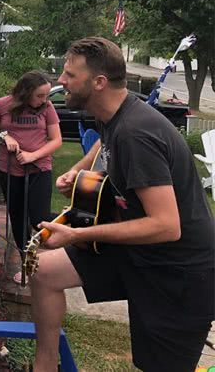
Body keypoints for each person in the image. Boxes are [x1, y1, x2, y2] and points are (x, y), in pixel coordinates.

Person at [31, 37, 214, 372]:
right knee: (44, 272)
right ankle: (45, 365)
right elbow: (104, 141)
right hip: (139, 253)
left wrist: (77, 235)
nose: (60, 81)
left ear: (98, 82)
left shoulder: (136, 134)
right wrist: (79, 170)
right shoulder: (113, 114)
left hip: (179, 272)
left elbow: (166, 225)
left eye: (70, 74)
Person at [0, 71, 63, 283]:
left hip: (39, 168)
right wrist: (3, 136)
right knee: (18, 219)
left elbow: (56, 140)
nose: (44, 100)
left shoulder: (48, 109)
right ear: (25, 92)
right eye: (40, 95)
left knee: (39, 219)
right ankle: (27, 265)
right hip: (9, 170)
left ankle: (50, 253)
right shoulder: (2, 105)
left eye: (46, 95)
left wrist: (32, 156)